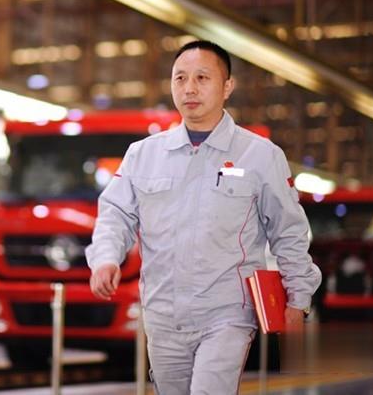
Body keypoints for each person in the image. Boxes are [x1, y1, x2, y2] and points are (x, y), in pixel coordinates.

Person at [85, 40, 321, 394]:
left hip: (227, 313)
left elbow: (288, 231)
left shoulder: (260, 156)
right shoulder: (143, 155)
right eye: (180, 78)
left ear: (227, 87)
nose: (189, 88)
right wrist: (105, 258)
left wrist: (298, 298)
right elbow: (115, 214)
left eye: (202, 78)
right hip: (163, 315)